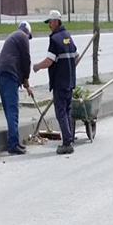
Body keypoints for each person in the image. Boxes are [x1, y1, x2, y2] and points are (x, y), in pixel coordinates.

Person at [33, 10, 79, 155]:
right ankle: (69, 137)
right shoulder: (67, 37)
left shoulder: (55, 39)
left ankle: (67, 143)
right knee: (67, 111)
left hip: (60, 82)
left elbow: (49, 60)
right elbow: (76, 57)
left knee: (61, 112)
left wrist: (37, 67)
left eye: (50, 23)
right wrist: (69, 67)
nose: (49, 26)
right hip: (70, 81)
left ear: (55, 22)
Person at [0, 22, 33, 155]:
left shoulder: (14, 35)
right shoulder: (23, 37)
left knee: (8, 109)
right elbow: (26, 59)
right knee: (12, 110)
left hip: (1, 73)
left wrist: (23, 80)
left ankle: (14, 141)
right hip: (9, 74)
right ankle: (13, 144)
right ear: (27, 32)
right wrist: (26, 78)